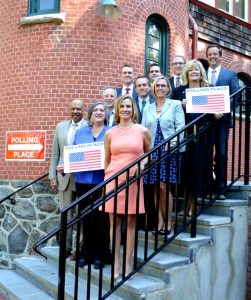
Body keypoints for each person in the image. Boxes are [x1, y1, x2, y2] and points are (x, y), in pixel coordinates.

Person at [103, 95, 151, 278]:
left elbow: (149, 152)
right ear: (117, 109)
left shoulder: (142, 130)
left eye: (128, 106)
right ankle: (115, 262)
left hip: (133, 180)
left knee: (131, 222)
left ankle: (128, 262)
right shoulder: (110, 133)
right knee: (114, 222)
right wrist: (107, 179)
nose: (125, 109)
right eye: (122, 106)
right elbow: (106, 159)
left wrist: (142, 164)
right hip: (113, 180)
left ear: (133, 109)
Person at [142, 76, 185, 234]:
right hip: (152, 151)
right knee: (155, 187)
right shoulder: (148, 108)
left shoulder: (175, 105)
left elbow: (180, 128)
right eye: (157, 85)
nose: (160, 88)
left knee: (163, 187)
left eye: (163, 85)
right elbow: (143, 130)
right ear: (153, 89)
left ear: (168, 89)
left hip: (170, 151)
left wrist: (171, 146)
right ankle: (159, 220)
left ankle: (168, 222)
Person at [172, 59, 214, 213]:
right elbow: (172, 112)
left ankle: (194, 203)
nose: (194, 72)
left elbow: (214, 108)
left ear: (201, 72)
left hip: (204, 135)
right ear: (186, 73)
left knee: (199, 167)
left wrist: (215, 111)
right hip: (186, 135)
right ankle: (187, 202)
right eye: (191, 70)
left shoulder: (209, 89)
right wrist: (180, 105)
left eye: (197, 69)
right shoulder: (178, 91)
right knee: (187, 169)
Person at [73, 102, 111, 269]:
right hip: (82, 181)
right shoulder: (80, 132)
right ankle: (85, 253)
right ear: (90, 114)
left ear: (106, 114)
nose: (98, 112)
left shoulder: (111, 132)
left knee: (102, 220)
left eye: (102, 110)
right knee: (86, 219)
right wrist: (65, 166)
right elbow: (73, 154)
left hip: (103, 181)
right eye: (95, 110)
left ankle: (100, 255)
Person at [49, 99, 86, 258]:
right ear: (69, 110)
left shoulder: (89, 127)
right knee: (67, 214)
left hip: (83, 177)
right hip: (63, 177)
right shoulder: (61, 127)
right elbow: (55, 153)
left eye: (78, 108)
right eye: (73, 108)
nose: (75, 111)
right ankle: (66, 247)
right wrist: (52, 176)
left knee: (83, 214)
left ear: (83, 110)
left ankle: (80, 248)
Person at [206, 44, 240, 199]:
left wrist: (223, 110)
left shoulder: (230, 74)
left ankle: (220, 188)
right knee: (204, 154)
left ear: (220, 55)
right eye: (210, 54)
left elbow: (236, 96)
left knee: (221, 154)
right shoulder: (202, 74)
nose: (212, 57)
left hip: (222, 121)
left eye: (215, 54)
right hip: (204, 121)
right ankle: (207, 187)